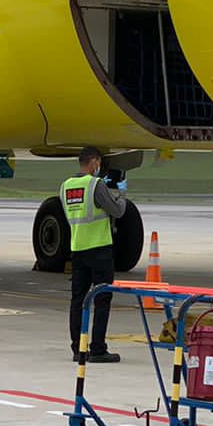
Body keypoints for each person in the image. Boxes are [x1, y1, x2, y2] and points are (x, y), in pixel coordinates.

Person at [63, 146, 126, 363]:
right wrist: (120, 195)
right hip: (99, 249)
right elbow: (117, 211)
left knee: (78, 301)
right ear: (94, 162)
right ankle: (98, 348)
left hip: (77, 248)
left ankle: (78, 349)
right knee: (102, 299)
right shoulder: (95, 184)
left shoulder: (66, 186)